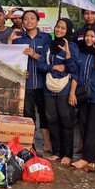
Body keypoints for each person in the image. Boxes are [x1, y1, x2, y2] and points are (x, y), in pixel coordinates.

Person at [9, 10, 52, 152]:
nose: (29, 21)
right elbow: (11, 58)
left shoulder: (45, 38)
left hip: (42, 84)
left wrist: (34, 54)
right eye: (26, 19)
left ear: (37, 21)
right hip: (26, 83)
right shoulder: (19, 39)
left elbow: (50, 59)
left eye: (32, 18)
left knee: (44, 113)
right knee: (28, 115)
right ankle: (31, 143)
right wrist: (20, 70)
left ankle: (47, 143)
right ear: (22, 22)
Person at [37, 18, 79, 164]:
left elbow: (74, 69)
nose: (59, 30)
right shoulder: (48, 46)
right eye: (57, 27)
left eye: (63, 28)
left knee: (66, 121)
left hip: (64, 89)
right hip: (49, 89)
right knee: (52, 120)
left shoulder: (72, 46)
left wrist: (67, 56)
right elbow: (40, 64)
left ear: (68, 31)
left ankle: (67, 154)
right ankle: (56, 152)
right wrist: (54, 67)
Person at [70, 26, 95, 170]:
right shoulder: (82, 53)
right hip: (83, 96)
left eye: (93, 36)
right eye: (87, 36)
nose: (89, 38)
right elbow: (76, 74)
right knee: (84, 126)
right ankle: (90, 158)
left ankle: (87, 158)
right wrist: (72, 93)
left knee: (94, 129)